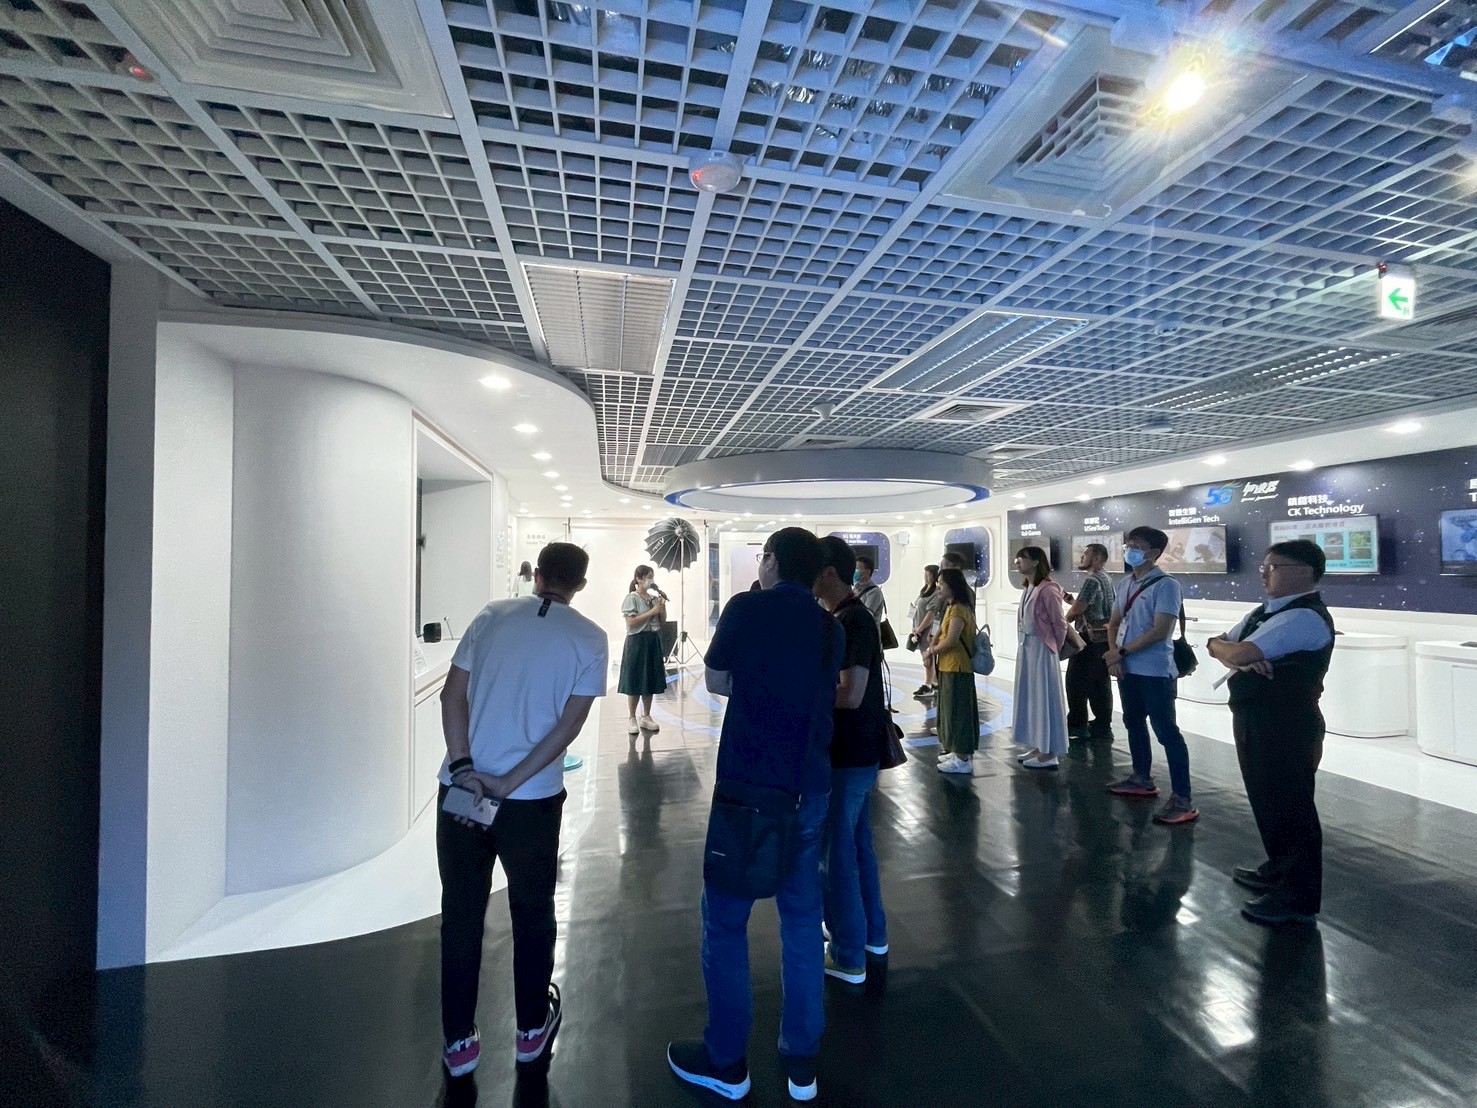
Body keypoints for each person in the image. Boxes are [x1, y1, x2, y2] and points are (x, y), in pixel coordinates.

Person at [668, 527, 843, 1103]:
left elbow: (717, 679)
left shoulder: (745, 608)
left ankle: (726, 1062)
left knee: (725, 923)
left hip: (748, 788)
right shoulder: (831, 626)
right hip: (809, 788)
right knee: (802, 922)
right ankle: (802, 1064)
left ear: (770, 562)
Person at [437, 542, 608, 1077]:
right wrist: (510, 782)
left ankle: (459, 1043)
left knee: (461, 913)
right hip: (531, 803)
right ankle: (531, 1031)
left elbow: (451, 697)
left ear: (537, 575)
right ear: (580, 584)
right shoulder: (591, 638)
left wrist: (465, 769)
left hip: (461, 794)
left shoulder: (492, 615)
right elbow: (567, 728)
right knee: (533, 913)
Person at [1206, 540, 1335, 926]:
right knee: (1267, 800)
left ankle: (1297, 900)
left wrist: (1239, 655)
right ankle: (1278, 870)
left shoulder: (1304, 617)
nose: (1264, 573)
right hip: (1256, 718)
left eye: (1273, 567)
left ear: (1305, 572)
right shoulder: (1264, 613)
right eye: (1264, 566)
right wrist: (1229, 650)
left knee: (1290, 806)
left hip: (1288, 725)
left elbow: (1238, 652)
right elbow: (1216, 644)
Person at [813, 536, 889, 986]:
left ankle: (846, 953)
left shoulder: (852, 620)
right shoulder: (846, 617)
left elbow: (851, 694)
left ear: (827, 572)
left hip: (848, 753)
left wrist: (803, 692)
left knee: (835, 854)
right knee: (855, 847)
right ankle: (870, 936)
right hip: (854, 752)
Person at [1104, 526, 1198, 825]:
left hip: (1155, 671)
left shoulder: (1166, 585)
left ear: (1154, 553)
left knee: (1166, 731)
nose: (1128, 549)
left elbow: (1160, 631)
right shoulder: (1126, 582)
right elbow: (1113, 622)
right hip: (1128, 668)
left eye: (1136, 545)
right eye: (1128, 544)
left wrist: (1122, 652)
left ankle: (1183, 798)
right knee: (1133, 723)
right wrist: (1115, 655)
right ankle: (1141, 778)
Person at [1010, 546, 1073, 770]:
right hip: (1028, 647)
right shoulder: (1029, 587)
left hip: (1042, 649)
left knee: (1045, 697)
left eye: (1022, 558)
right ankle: (1040, 744)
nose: (1017, 561)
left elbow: (1059, 623)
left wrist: (1054, 647)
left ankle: (1050, 751)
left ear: (1037, 561)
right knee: (1033, 697)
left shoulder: (1048, 589)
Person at [924, 567, 978, 775]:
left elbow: (952, 640)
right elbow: (941, 633)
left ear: (952, 586)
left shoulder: (958, 610)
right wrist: (933, 644)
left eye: (941, 584)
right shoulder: (952, 607)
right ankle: (956, 751)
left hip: (957, 667)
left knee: (959, 712)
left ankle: (962, 758)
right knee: (950, 711)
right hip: (948, 666)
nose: (938, 587)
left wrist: (931, 651)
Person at [1064, 542, 1115, 742]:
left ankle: (1077, 725)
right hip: (1103, 640)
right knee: (1099, 684)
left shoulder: (1092, 580)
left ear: (1096, 558)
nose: (1081, 558)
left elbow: (1078, 609)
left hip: (1089, 641)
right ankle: (1102, 725)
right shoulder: (1106, 578)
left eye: (1085, 555)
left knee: (1075, 683)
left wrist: (1062, 623)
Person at [619, 564, 667, 735]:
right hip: (637, 641)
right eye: (648, 577)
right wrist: (652, 611)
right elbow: (631, 622)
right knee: (635, 678)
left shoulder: (653, 598)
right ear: (638, 579)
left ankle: (646, 716)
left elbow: (662, 620)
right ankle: (632, 717)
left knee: (650, 679)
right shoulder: (632, 598)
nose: (650, 580)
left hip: (653, 640)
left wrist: (661, 607)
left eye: (652, 577)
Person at [909, 564, 940, 697]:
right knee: (926, 656)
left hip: (928, 630)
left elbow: (931, 614)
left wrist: (920, 629)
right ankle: (934, 682)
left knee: (928, 657)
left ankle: (928, 684)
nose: (926, 577)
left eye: (929, 574)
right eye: (925, 574)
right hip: (919, 629)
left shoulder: (936, 593)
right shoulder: (924, 591)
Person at [853, 555, 886, 625]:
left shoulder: (874, 592)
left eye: (857, 568)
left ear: (867, 571)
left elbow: (867, 615)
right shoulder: (855, 588)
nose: (855, 571)